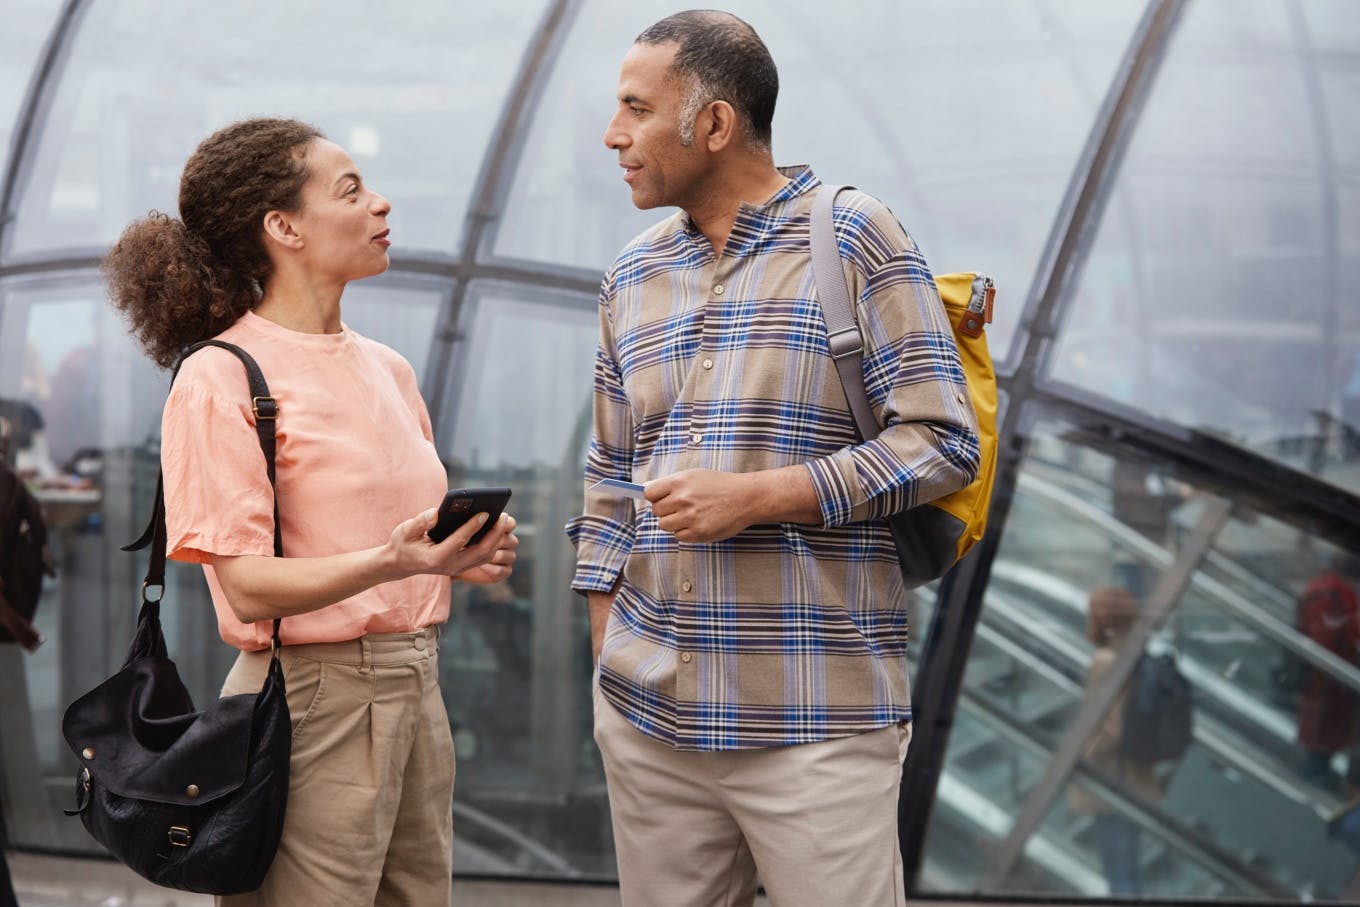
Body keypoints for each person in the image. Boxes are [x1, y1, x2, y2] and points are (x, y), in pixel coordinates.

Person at [564, 11, 979, 906]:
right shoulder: (630, 275)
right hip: (648, 718)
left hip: (815, 720)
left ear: (713, 125)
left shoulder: (855, 235)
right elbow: (608, 474)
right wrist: (608, 641)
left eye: (636, 108)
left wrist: (762, 495)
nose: (613, 134)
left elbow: (944, 442)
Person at [103, 117, 518, 906]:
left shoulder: (389, 368)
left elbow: (399, 546)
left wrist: (463, 556)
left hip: (416, 684)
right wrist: (393, 561)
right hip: (309, 698)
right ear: (282, 226)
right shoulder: (222, 375)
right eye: (351, 190)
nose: (382, 205)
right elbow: (249, 587)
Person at [1068, 586, 1169, 895]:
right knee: (1129, 861)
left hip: (1111, 776)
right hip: (1136, 772)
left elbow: (1111, 726)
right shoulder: (1132, 652)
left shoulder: (1105, 660)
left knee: (1117, 865)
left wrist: (1083, 758)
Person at [1296, 553, 1360, 788]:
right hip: (1330, 677)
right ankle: (1315, 773)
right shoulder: (1334, 593)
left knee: (1327, 729)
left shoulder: (1329, 588)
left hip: (1329, 678)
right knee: (1325, 730)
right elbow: (1331, 634)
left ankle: (1318, 769)